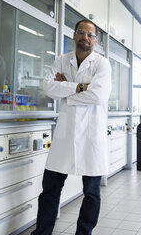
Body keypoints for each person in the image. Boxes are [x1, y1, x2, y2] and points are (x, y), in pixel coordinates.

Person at [31, 19, 111, 235]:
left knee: (92, 192)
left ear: (95, 41)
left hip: (91, 135)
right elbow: (48, 86)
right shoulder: (62, 60)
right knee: (50, 189)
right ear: (74, 35)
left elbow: (99, 95)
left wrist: (65, 90)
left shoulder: (102, 64)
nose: (85, 37)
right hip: (65, 137)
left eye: (90, 35)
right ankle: (42, 232)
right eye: (81, 32)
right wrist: (80, 87)